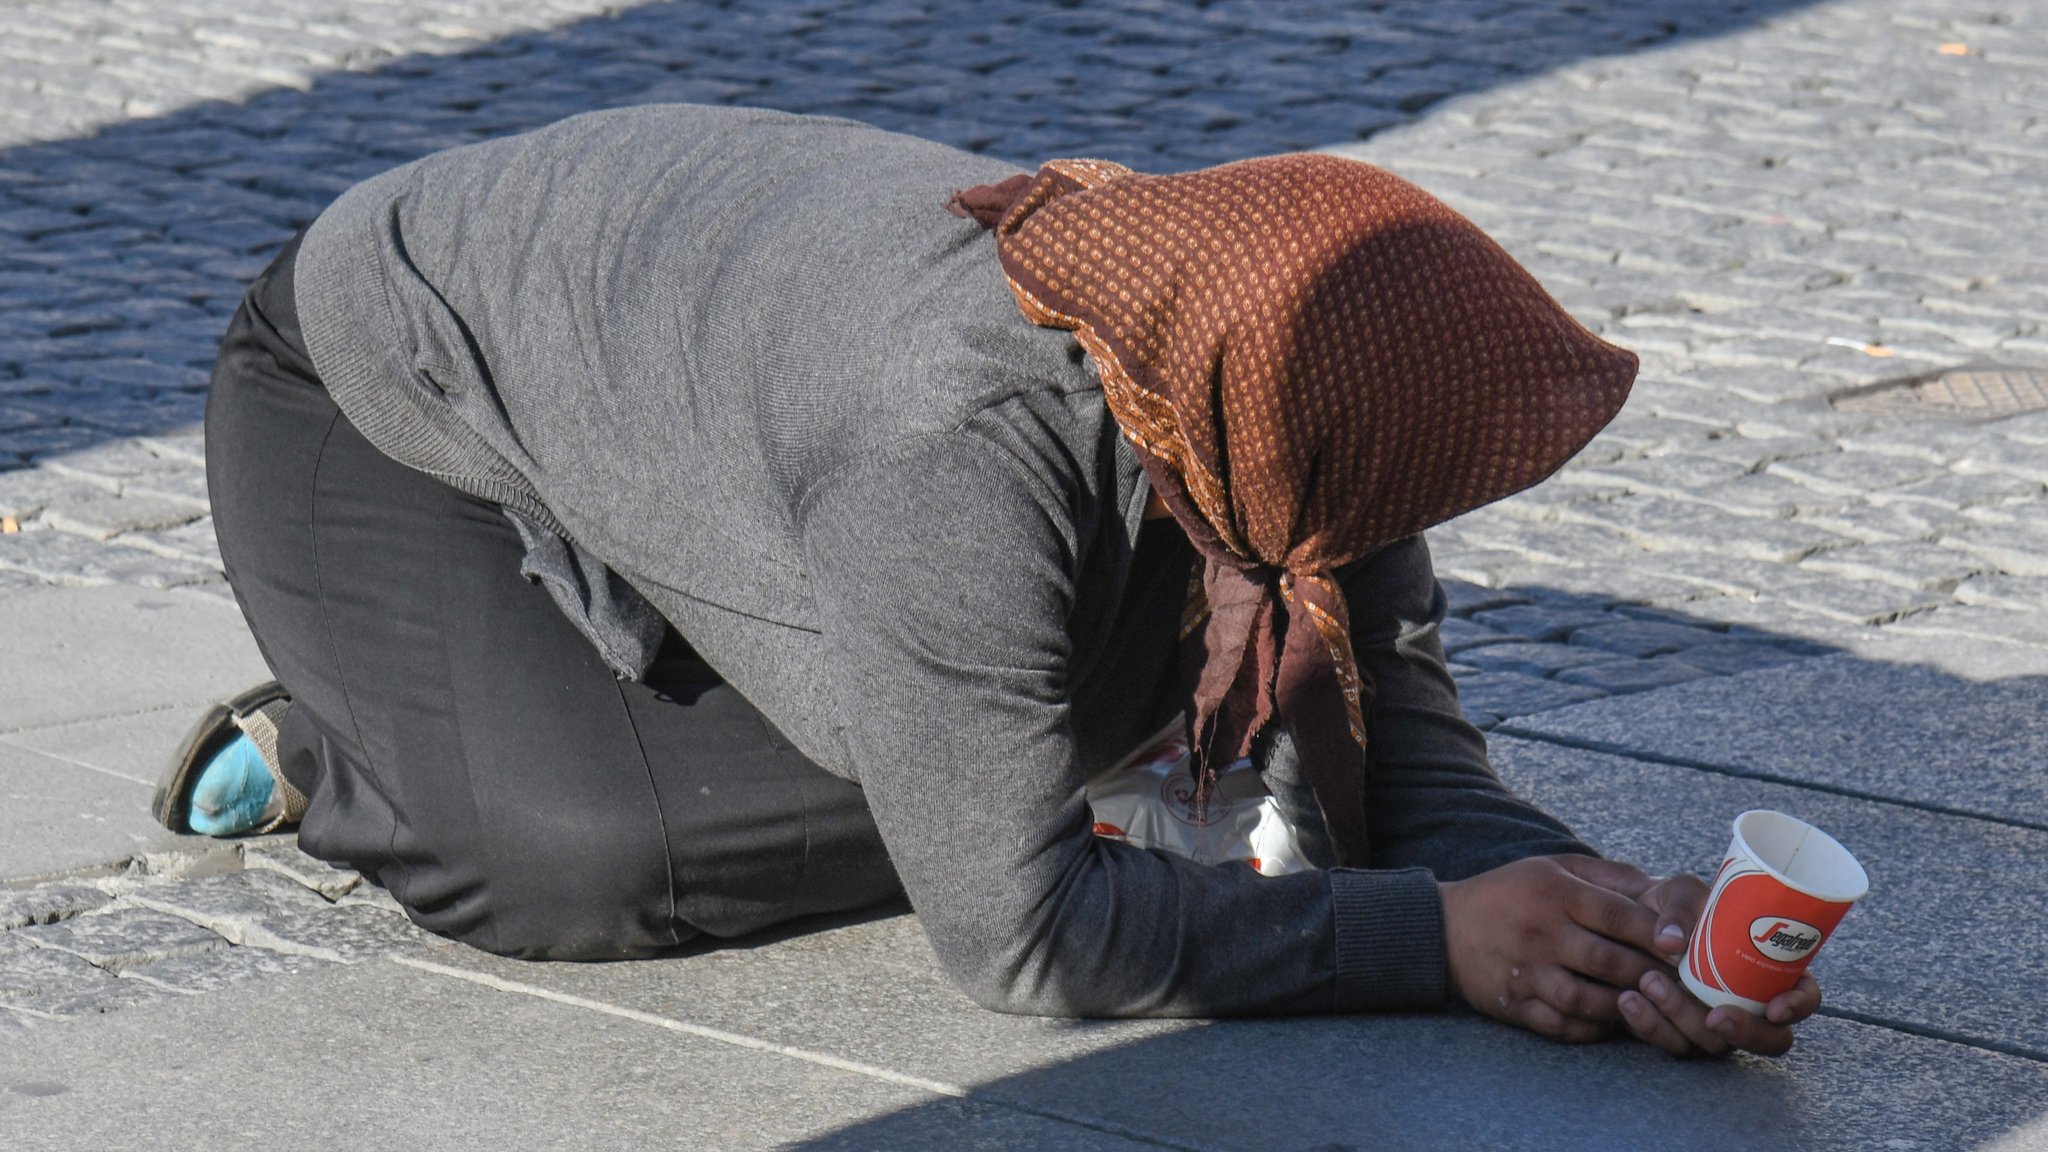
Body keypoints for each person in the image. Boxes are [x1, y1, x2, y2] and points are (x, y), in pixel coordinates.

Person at [157, 103, 1819, 1057]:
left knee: (1023, 728)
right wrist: (1428, 939)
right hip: (380, 409)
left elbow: (1415, 757)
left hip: (722, 430)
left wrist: (1608, 926)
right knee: (595, 856)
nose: (1411, 525)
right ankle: (345, 738)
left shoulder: (1264, 373)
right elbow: (1023, 947)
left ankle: (873, 704)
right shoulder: (957, 446)